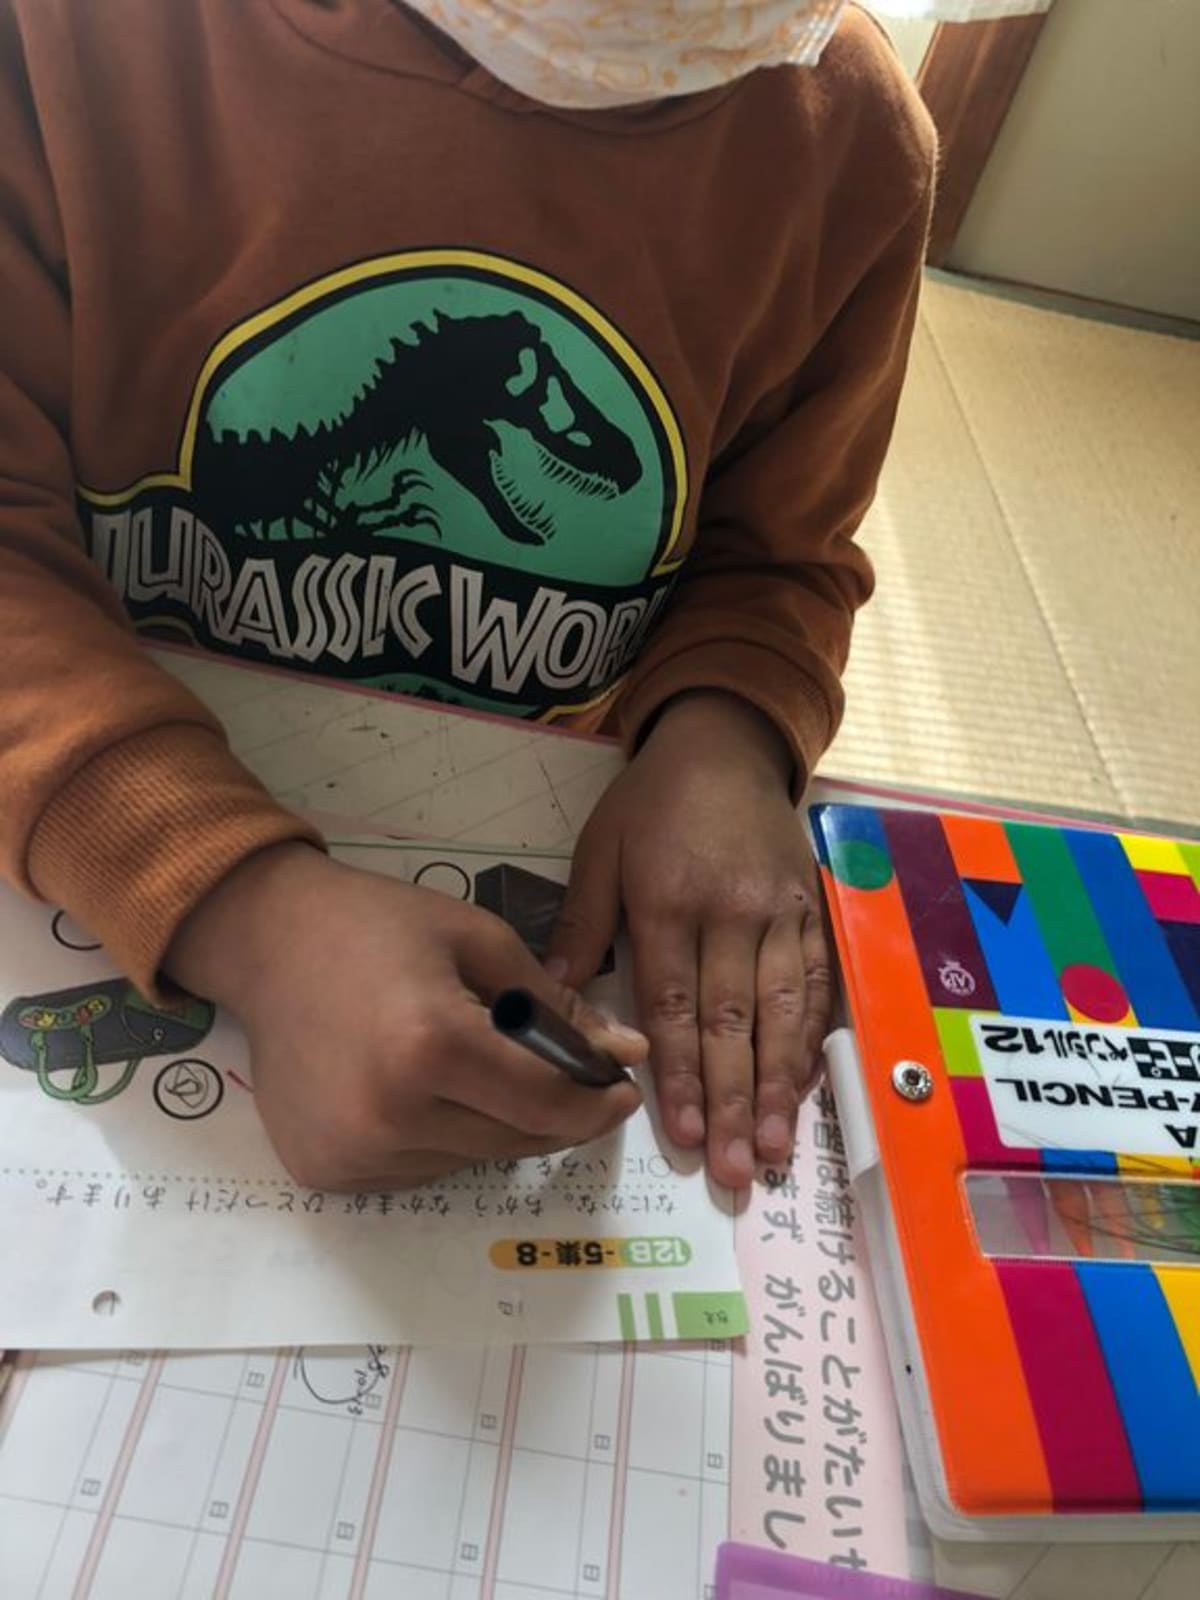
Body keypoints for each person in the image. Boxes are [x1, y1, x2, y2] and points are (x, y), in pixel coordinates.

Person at [0, 0, 936, 1191]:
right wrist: (243, 910)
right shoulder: (55, 39)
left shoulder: (851, 145)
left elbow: (779, 555)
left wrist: (727, 734)